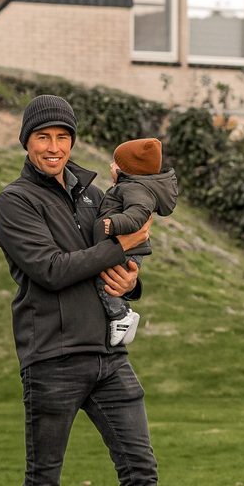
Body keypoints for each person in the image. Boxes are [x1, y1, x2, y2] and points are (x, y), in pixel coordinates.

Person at [0, 94, 215, 486]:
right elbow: (49, 269)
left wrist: (132, 278)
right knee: (43, 482)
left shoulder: (93, 195)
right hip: (52, 359)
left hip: (109, 357)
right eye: (43, 137)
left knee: (140, 468)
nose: (54, 147)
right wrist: (123, 248)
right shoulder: (14, 202)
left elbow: (115, 261)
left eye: (62, 137)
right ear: (27, 142)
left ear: (72, 141)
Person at [90, 137, 178, 347]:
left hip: (129, 248)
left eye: (115, 163)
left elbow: (138, 215)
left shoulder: (136, 189)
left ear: (127, 170)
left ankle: (120, 317)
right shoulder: (131, 187)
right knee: (108, 280)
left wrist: (113, 224)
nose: (111, 166)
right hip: (126, 246)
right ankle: (123, 313)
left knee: (106, 282)